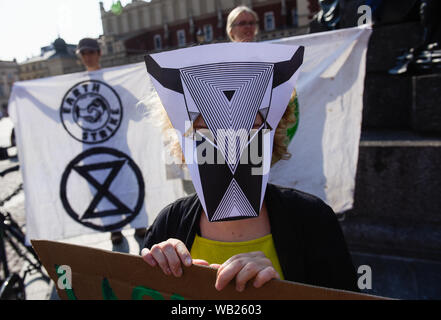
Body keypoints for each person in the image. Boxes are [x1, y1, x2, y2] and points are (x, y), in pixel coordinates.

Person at [141, 7, 358, 294]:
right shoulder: (169, 225)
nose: (230, 139)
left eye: (250, 124)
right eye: (208, 126)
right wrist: (152, 279)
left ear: (274, 134)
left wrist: (281, 291)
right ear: (184, 138)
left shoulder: (313, 221)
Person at [76, 38, 147, 245]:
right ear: (80, 57)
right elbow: (58, 113)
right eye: (84, 53)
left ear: (99, 53)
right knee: (101, 192)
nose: (88, 56)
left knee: (129, 185)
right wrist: (26, 93)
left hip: (118, 148)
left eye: (91, 52)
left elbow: (139, 110)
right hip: (92, 152)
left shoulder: (117, 88)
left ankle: (139, 222)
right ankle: (114, 228)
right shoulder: (76, 90)